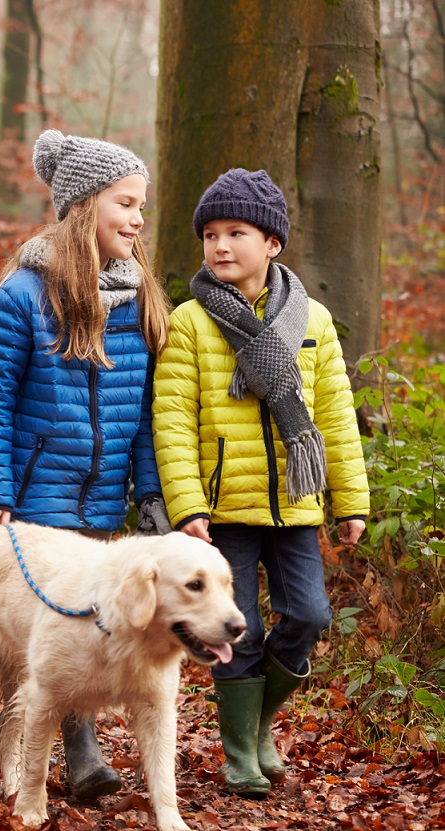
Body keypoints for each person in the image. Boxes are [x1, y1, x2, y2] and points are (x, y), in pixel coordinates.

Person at [0, 129, 173, 801]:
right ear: (84, 205)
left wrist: (149, 491)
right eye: (125, 202)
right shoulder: (24, 293)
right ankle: (79, 750)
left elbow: (143, 411)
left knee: (91, 616)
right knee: (62, 617)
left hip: (103, 495)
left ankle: (52, 732)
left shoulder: (138, 294)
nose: (137, 218)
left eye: (141, 204)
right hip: (36, 495)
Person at [152, 168, 369, 796]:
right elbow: (172, 420)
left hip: (297, 504)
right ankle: (239, 751)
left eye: (235, 232)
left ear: (272, 243)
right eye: (210, 235)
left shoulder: (313, 320)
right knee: (236, 626)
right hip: (223, 512)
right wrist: (187, 505)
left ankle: (261, 724)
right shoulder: (191, 322)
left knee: (309, 615)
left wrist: (349, 501)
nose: (220, 246)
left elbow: (334, 414)